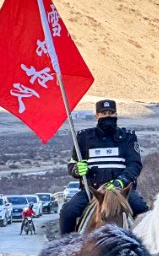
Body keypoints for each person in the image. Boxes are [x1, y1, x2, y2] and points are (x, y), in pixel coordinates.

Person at [58, 99, 149, 234]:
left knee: (144, 211)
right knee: (67, 212)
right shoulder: (83, 138)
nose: (108, 116)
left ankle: (146, 250)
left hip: (120, 192)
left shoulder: (128, 137)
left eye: (111, 113)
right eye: (104, 113)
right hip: (92, 192)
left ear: (116, 114)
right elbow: (72, 164)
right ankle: (65, 249)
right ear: (97, 116)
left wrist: (121, 181)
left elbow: (134, 164)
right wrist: (77, 169)